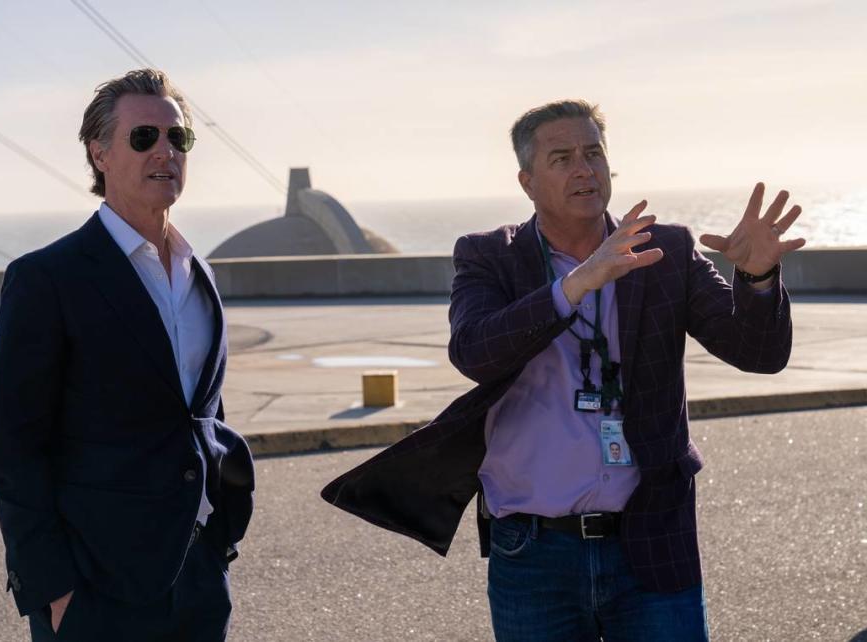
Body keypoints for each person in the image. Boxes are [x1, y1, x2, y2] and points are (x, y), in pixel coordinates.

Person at [322, 99, 803, 640]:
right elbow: (475, 351)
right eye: (562, 157)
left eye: (594, 153)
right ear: (527, 182)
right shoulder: (489, 257)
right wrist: (576, 284)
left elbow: (759, 354)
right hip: (533, 551)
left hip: (650, 539)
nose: (584, 168)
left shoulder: (664, 249)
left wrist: (759, 279)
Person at [0, 69, 254, 641]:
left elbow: (200, 409)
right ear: (99, 152)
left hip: (199, 572)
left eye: (178, 139)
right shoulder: (46, 279)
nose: (165, 151)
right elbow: (13, 447)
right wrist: (53, 590)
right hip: (95, 591)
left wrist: (219, 538)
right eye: (144, 137)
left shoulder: (197, 274)